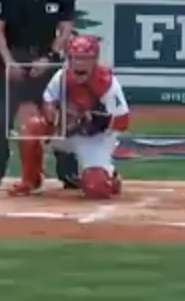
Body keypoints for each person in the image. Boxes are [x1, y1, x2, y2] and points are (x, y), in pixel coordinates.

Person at [0, 0, 77, 192]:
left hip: (46, 59)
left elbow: (65, 29)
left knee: (60, 117)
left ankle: (69, 172)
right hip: (13, 56)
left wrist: (49, 56)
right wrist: (9, 61)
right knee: (0, 120)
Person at [10, 34, 130, 199]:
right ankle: (31, 180)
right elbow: (48, 101)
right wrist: (53, 114)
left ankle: (109, 175)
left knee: (97, 190)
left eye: (85, 59)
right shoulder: (61, 78)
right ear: (69, 59)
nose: (80, 63)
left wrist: (96, 121)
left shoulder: (107, 83)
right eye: (75, 58)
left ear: (95, 59)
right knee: (32, 127)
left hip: (95, 139)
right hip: (67, 131)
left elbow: (123, 121)